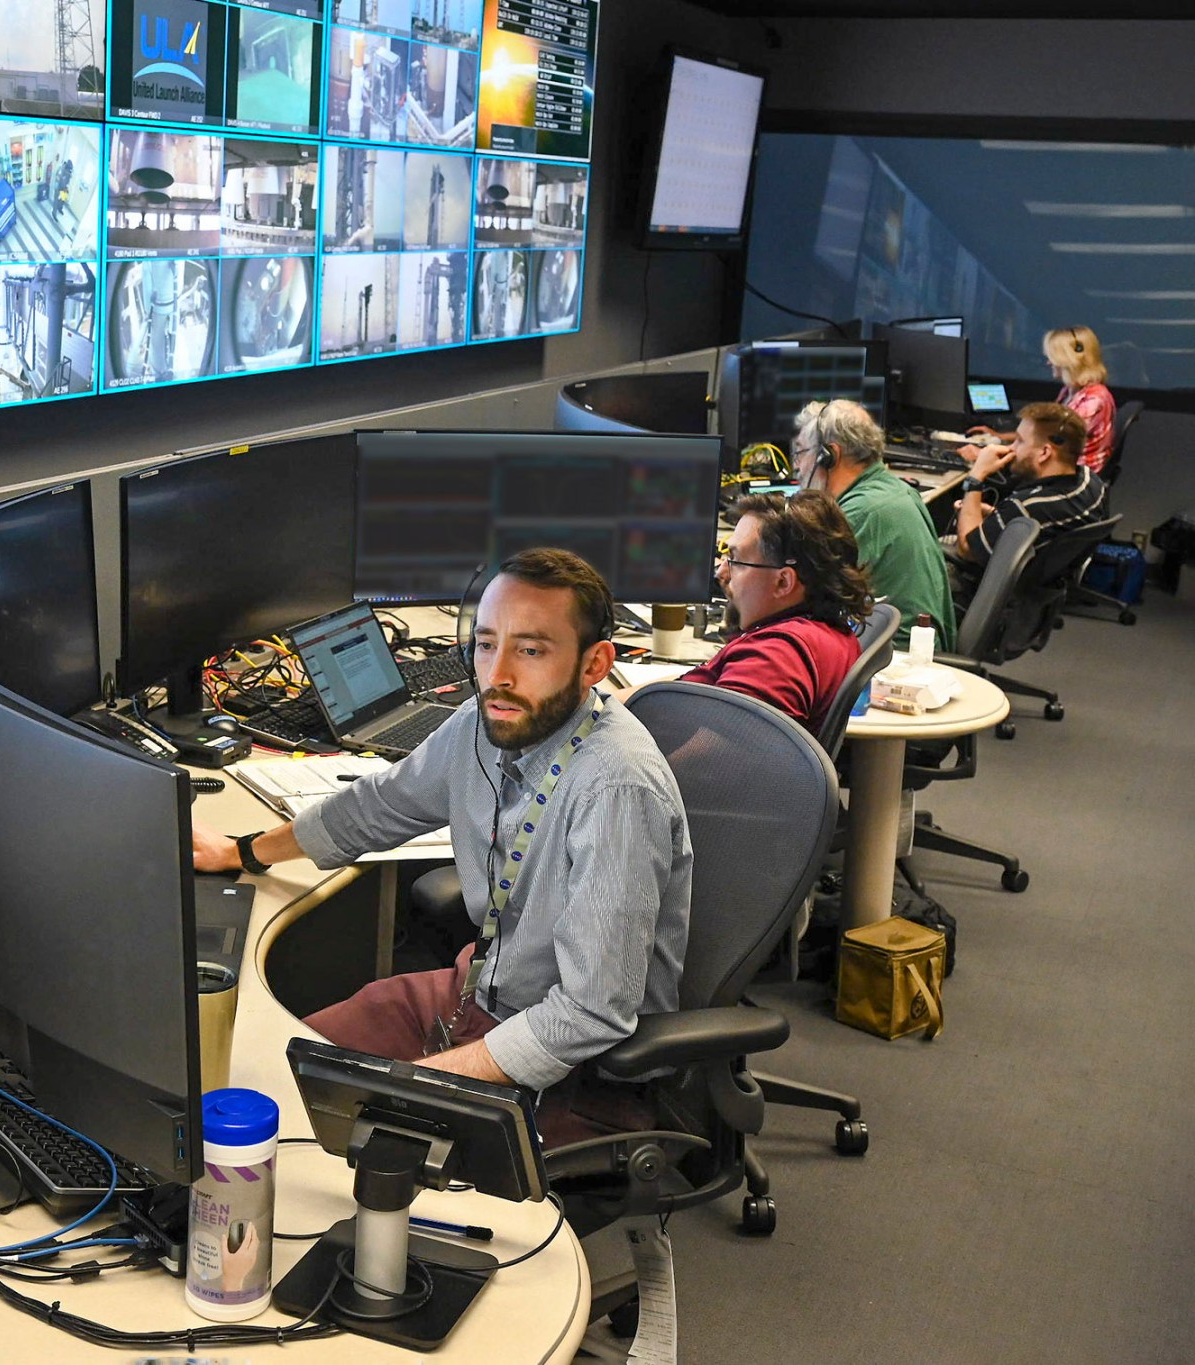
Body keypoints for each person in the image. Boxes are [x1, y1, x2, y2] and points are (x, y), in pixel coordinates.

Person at [192, 549, 692, 1144]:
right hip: (474, 994)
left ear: (594, 665)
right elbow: (381, 806)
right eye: (486, 644)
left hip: (574, 1069)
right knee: (257, 1082)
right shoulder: (490, 720)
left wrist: (409, 1084)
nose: (498, 673)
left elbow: (589, 1015)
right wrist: (244, 852)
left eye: (531, 650)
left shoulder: (615, 790)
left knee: (329, 1131)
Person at [680, 491, 872, 739]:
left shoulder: (776, 659)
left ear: (783, 582)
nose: (721, 572)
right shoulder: (825, 632)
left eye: (736, 560)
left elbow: (709, 764)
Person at [792, 398, 955, 651]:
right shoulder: (894, 489)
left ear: (829, 456)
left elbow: (799, 597)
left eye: (801, 453)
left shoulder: (861, 512)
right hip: (902, 644)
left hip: (893, 657)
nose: (797, 467)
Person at [949, 400, 1109, 602]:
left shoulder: (1026, 507)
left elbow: (966, 548)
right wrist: (995, 514)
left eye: (1019, 441)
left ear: (1044, 453)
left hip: (980, 593)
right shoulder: (1091, 482)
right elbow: (1040, 526)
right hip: (1027, 597)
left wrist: (976, 476)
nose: (1011, 449)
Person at [970, 327, 1117, 474]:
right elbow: (1042, 434)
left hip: (1073, 477)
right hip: (1061, 466)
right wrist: (999, 437)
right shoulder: (1070, 391)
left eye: (1052, 357)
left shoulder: (1093, 400)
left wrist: (984, 457)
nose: (1048, 362)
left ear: (1067, 359)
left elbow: (1045, 445)